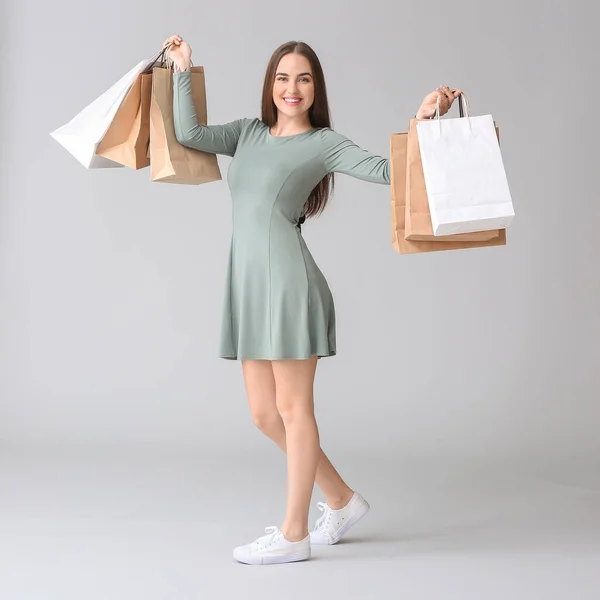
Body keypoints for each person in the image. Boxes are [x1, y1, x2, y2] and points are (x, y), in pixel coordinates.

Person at [163, 34, 460, 565]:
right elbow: (189, 133)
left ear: (315, 88)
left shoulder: (323, 143)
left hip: (290, 287)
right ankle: (342, 501)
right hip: (249, 286)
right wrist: (183, 68)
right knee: (263, 414)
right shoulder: (249, 133)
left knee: (294, 410)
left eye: (303, 78)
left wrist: (424, 120)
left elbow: (391, 173)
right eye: (282, 77)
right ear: (270, 85)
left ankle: (294, 532)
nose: (291, 88)